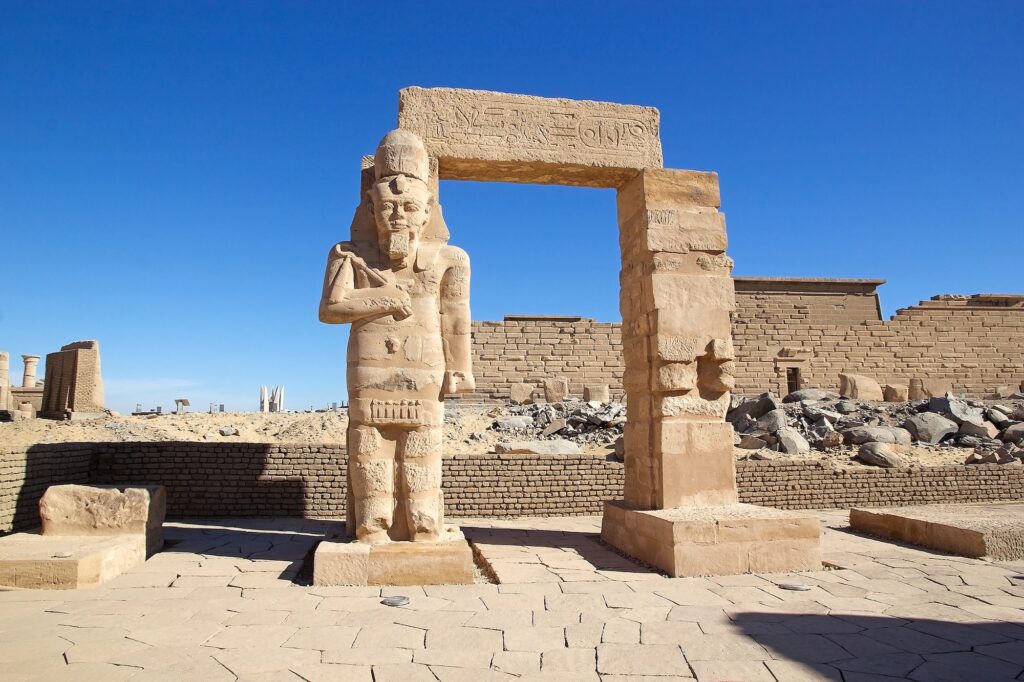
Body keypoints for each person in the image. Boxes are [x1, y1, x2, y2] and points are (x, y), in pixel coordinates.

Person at [319, 129, 474, 543]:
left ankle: (422, 522)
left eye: (409, 207)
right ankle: (373, 525)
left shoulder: (449, 259)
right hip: (369, 372)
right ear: (371, 208)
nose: (398, 216)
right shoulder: (347, 255)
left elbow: (456, 317)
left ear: (428, 212)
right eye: (388, 206)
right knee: (370, 447)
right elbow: (330, 310)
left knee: (423, 452)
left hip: (425, 373)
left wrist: (460, 369)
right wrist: (383, 300)